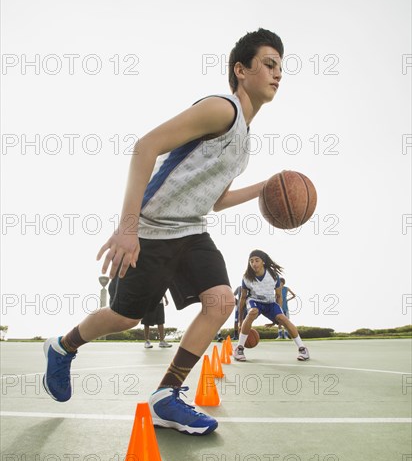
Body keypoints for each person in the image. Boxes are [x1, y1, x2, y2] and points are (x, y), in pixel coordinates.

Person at [42, 28, 285, 436]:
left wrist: (266, 188)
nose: (278, 73)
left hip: (191, 229)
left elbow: (217, 201)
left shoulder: (244, 141)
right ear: (240, 70)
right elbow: (145, 146)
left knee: (222, 301)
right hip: (152, 227)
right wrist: (128, 227)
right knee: (124, 316)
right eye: (269, 64)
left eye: (281, 67)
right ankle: (63, 346)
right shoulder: (221, 109)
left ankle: (167, 397)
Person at [234, 250, 310, 362]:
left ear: (263, 262)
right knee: (253, 311)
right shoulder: (247, 277)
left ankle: (302, 349)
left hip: (270, 303)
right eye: (251, 261)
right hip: (255, 301)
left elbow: (279, 296)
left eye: (257, 260)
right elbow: (243, 298)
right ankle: (239, 348)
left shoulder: (273, 275)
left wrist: (278, 317)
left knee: (283, 319)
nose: (254, 263)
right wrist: (240, 320)